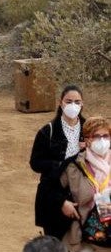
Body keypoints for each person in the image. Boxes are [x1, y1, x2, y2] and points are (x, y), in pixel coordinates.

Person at [30, 85, 86, 241]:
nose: (73, 105)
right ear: (61, 103)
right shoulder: (47, 131)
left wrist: (89, 149)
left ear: (82, 104)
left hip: (82, 195)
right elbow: (35, 163)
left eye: (77, 102)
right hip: (53, 193)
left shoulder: (89, 131)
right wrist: (60, 165)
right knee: (55, 246)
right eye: (69, 101)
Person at [60, 116, 111, 252]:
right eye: (96, 136)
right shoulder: (75, 165)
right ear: (87, 139)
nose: (102, 140)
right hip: (86, 227)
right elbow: (55, 190)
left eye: (105, 136)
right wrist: (63, 202)